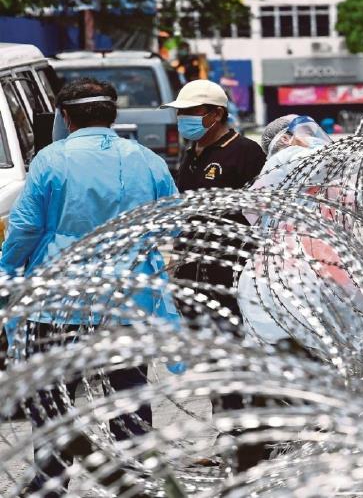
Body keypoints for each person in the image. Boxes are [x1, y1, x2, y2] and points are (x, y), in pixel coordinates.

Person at [0, 77, 178, 495]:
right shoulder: (147, 159)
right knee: (129, 391)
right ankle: (134, 477)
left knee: (53, 396)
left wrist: (8, 267)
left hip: (59, 299)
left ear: (64, 116)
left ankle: (51, 480)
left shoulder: (51, 160)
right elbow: (172, 219)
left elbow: (26, 226)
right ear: (113, 113)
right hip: (127, 298)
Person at [160, 80, 266, 471]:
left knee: (235, 355)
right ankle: (228, 434)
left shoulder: (245, 153)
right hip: (193, 268)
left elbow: (259, 211)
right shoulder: (193, 152)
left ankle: (249, 439)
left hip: (230, 269)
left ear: (216, 113)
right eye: (181, 113)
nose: (183, 119)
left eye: (191, 113)